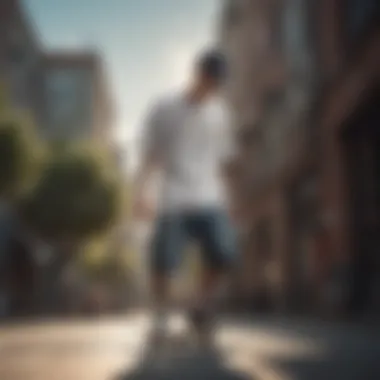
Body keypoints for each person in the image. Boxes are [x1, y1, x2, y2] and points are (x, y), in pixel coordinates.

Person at [133, 49, 237, 346]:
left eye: (217, 83)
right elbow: (150, 154)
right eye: (208, 79)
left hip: (209, 197)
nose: (211, 87)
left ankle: (200, 306)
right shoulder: (164, 108)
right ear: (196, 74)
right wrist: (140, 193)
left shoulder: (221, 114)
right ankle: (161, 317)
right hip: (173, 199)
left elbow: (226, 160)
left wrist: (233, 201)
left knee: (223, 252)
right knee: (163, 261)